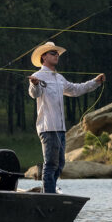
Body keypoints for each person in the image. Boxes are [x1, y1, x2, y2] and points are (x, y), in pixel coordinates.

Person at [27, 41, 105, 193]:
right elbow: (34, 94)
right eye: (52, 53)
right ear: (44, 57)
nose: (56, 55)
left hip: (60, 129)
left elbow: (76, 90)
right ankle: (49, 195)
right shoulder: (37, 76)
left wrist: (95, 82)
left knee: (60, 164)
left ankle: (49, 190)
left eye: (57, 53)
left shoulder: (59, 78)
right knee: (50, 164)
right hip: (48, 128)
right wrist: (34, 85)